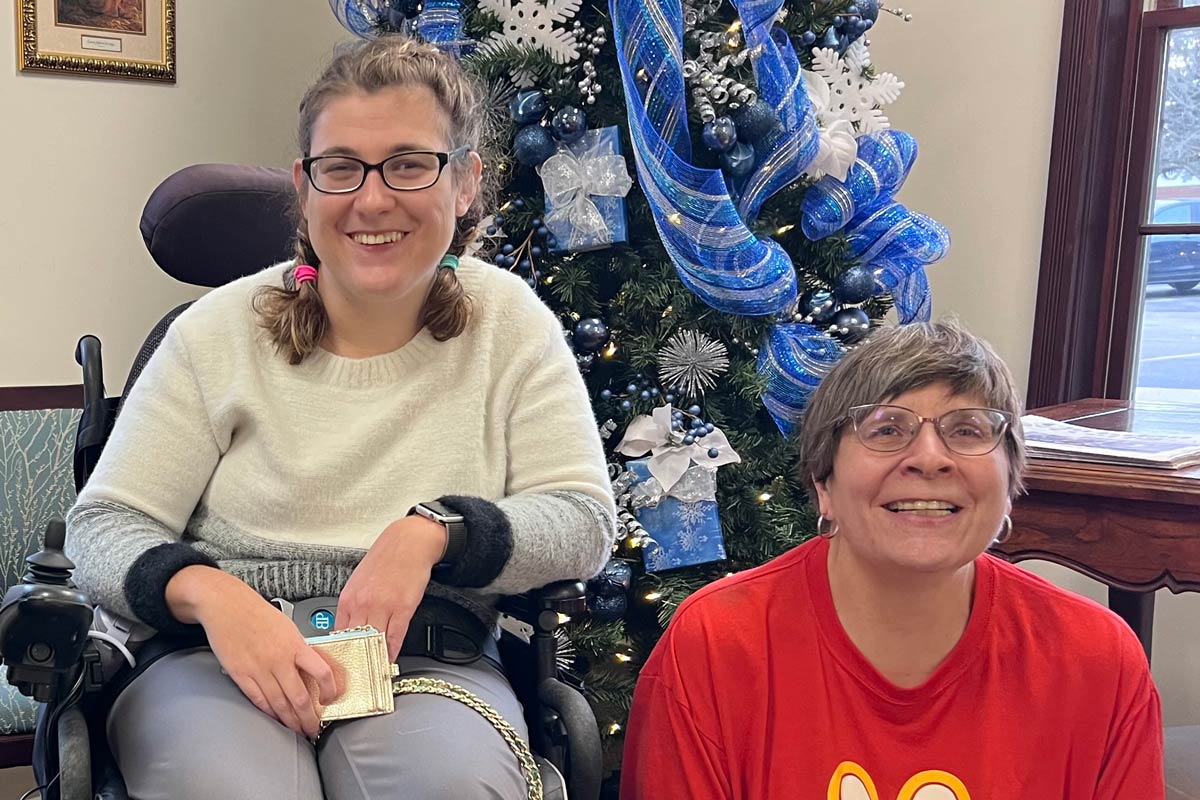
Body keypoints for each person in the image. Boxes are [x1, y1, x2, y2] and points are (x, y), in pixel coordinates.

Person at [65, 35, 615, 800]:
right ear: (305, 184)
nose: (372, 198)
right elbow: (103, 526)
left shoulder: (510, 326)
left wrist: (434, 533)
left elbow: (583, 521)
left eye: (410, 163)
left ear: (464, 181)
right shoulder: (217, 332)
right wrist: (212, 593)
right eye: (341, 167)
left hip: (429, 661)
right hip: (214, 660)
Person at [621, 319, 1164, 799]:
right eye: (886, 429)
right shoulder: (715, 645)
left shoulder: (1097, 659)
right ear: (824, 485)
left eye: (967, 430)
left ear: (1010, 482)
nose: (930, 458)